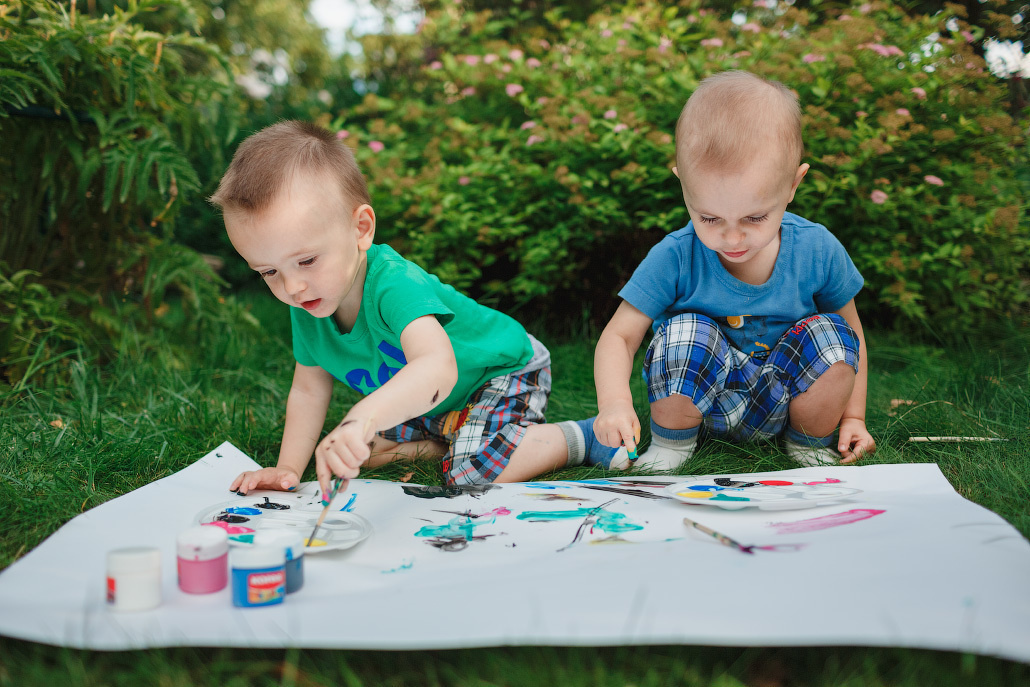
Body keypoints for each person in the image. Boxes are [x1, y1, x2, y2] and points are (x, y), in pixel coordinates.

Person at [210, 121, 623, 496]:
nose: (293, 287)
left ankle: (582, 438)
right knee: (344, 452)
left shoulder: (394, 283)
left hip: (499, 372)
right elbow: (308, 389)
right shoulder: (308, 302)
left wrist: (365, 413)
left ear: (361, 229)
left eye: (306, 261)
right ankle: (444, 439)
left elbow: (436, 367)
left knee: (470, 472)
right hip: (437, 404)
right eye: (268, 272)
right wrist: (286, 469)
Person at [591, 70, 876, 472]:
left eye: (755, 217)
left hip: (787, 398)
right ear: (683, 185)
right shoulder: (676, 255)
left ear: (793, 185)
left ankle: (808, 445)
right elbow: (619, 337)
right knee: (684, 332)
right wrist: (615, 404)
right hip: (703, 405)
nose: (732, 237)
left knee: (832, 336)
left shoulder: (816, 250)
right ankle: (672, 447)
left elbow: (854, 339)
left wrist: (854, 418)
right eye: (709, 218)